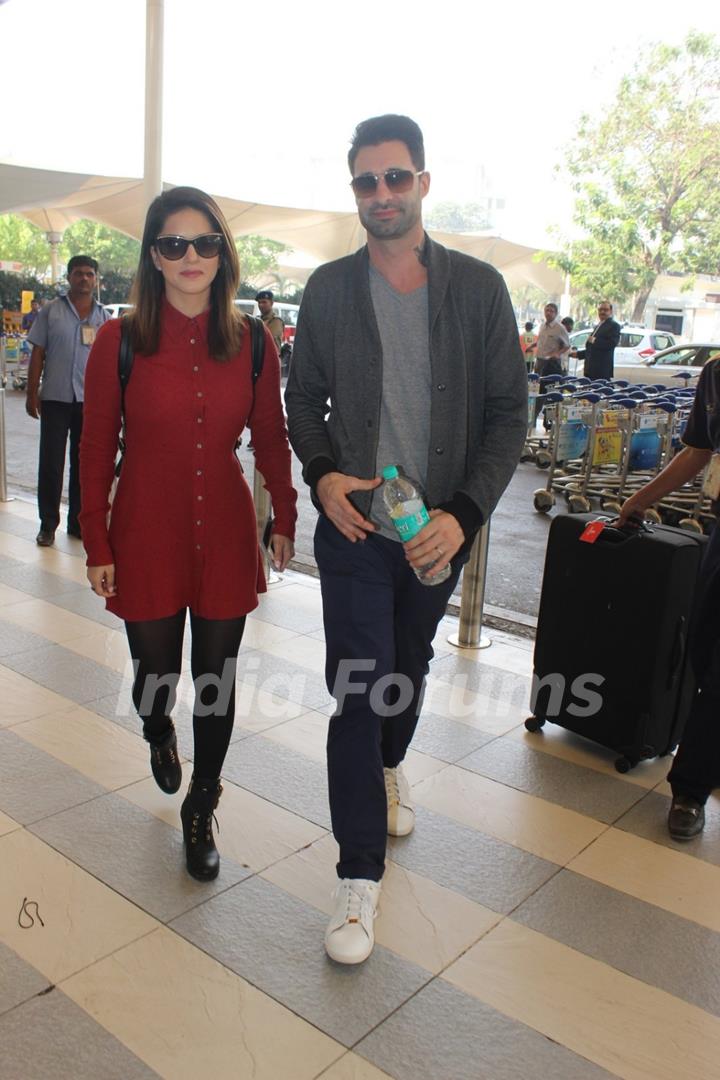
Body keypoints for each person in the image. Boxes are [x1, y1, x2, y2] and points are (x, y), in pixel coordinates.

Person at [285, 114, 527, 964]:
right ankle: (358, 878)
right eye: (365, 182)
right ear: (353, 191)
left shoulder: (479, 291)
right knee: (360, 684)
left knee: (407, 668)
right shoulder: (327, 291)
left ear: (423, 181)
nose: (381, 194)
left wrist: (463, 513)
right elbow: (301, 401)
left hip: (435, 534)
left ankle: (392, 763)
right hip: (355, 528)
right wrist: (321, 475)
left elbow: (508, 414)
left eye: (395, 177)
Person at [79, 187, 297, 881]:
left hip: (226, 530)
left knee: (216, 680)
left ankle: (202, 804)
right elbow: (93, 446)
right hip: (143, 526)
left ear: (223, 253)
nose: (191, 256)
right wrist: (96, 539)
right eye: (174, 243)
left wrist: (284, 514)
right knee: (155, 675)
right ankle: (154, 728)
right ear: (153, 255)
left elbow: (269, 436)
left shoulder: (253, 340)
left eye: (205, 242)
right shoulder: (120, 339)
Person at [618, 359, 720, 840]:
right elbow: (696, 451)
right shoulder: (716, 374)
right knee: (703, 649)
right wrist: (640, 498)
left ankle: (690, 789)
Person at [26, 256, 109, 547]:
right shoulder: (51, 312)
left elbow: (112, 364)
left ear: (96, 279)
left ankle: (77, 523)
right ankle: (47, 525)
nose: (83, 279)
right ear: (69, 277)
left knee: (84, 464)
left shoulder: (104, 318)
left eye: (89, 274)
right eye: (78, 274)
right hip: (56, 398)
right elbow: (38, 353)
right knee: (51, 463)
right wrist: (30, 392)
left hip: (91, 402)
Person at [576, 300, 620, 380]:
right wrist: (577, 354)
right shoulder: (599, 325)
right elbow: (592, 349)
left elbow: (611, 343)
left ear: (610, 311)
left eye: (605, 310)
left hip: (601, 371)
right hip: (590, 370)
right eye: (600, 310)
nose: (602, 312)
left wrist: (594, 340)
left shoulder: (614, 325)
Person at [534, 302, 570, 377]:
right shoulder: (542, 326)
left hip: (551, 362)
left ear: (556, 313)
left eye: (551, 311)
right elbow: (540, 340)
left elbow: (567, 345)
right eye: (547, 310)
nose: (548, 313)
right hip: (539, 360)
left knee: (548, 385)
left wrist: (558, 353)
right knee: (537, 384)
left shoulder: (560, 328)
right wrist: (531, 346)